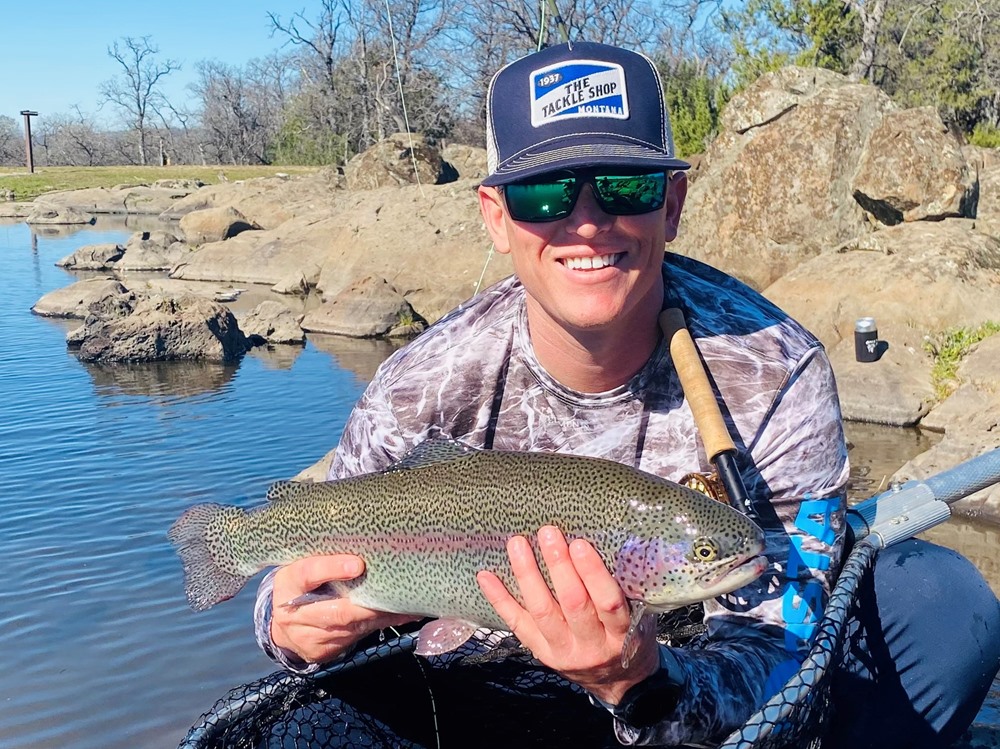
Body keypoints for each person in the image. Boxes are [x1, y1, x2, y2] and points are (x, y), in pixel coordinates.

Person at [253, 41, 1000, 747]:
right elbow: (307, 549)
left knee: (938, 604)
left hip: (680, 677)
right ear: (494, 215)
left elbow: (783, 644)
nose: (586, 219)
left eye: (624, 185)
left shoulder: (775, 370)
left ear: (671, 203)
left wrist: (635, 681)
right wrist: (285, 626)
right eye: (544, 191)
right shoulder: (425, 383)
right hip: (484, 684)